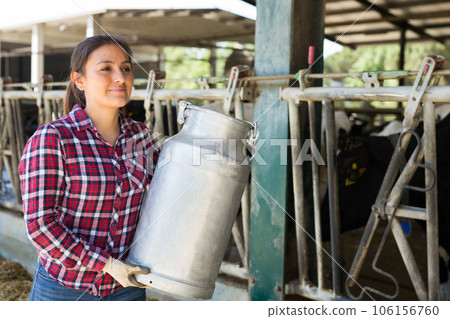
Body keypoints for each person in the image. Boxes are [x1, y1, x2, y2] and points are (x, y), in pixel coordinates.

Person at [18, 35, 160, 301]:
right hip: (65, 290)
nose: (120, 77)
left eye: (126, 68)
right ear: (79, 80)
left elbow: (172, 191)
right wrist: (107, 265)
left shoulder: (142, 139)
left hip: (127, 288)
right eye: (106, 68)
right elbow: (41, 226)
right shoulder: (53, 138)